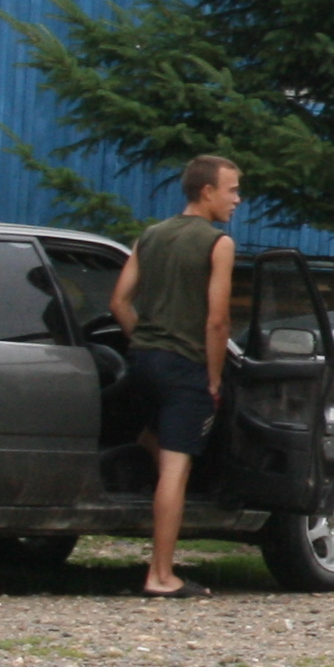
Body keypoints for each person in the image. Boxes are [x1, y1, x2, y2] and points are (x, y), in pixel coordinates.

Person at [110, 152, 240, 600]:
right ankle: (161, 575)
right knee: (175, 470)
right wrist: (214, 380)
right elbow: (218, 321)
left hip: (143, 362)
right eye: (232, 191)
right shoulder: (217, 244)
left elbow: (119, 302)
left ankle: (133, 480)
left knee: (153, 438)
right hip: (186, 367)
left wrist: (145, 341)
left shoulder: (150, 235)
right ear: (207, 191)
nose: (237, 200)